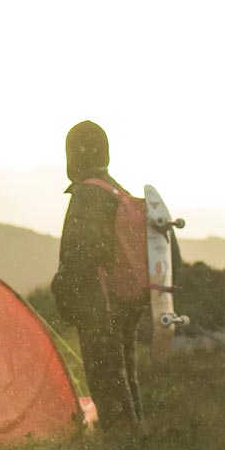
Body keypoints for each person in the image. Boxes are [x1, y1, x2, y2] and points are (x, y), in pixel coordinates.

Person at [51, 119, 145, 428]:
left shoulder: (89, 196)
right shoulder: (116, 190)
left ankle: (122, 449)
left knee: (106, 379)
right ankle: (134, 441)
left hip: (99, 305)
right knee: (124, 374)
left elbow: (81, 255)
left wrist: (63, 292)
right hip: (126, 299)